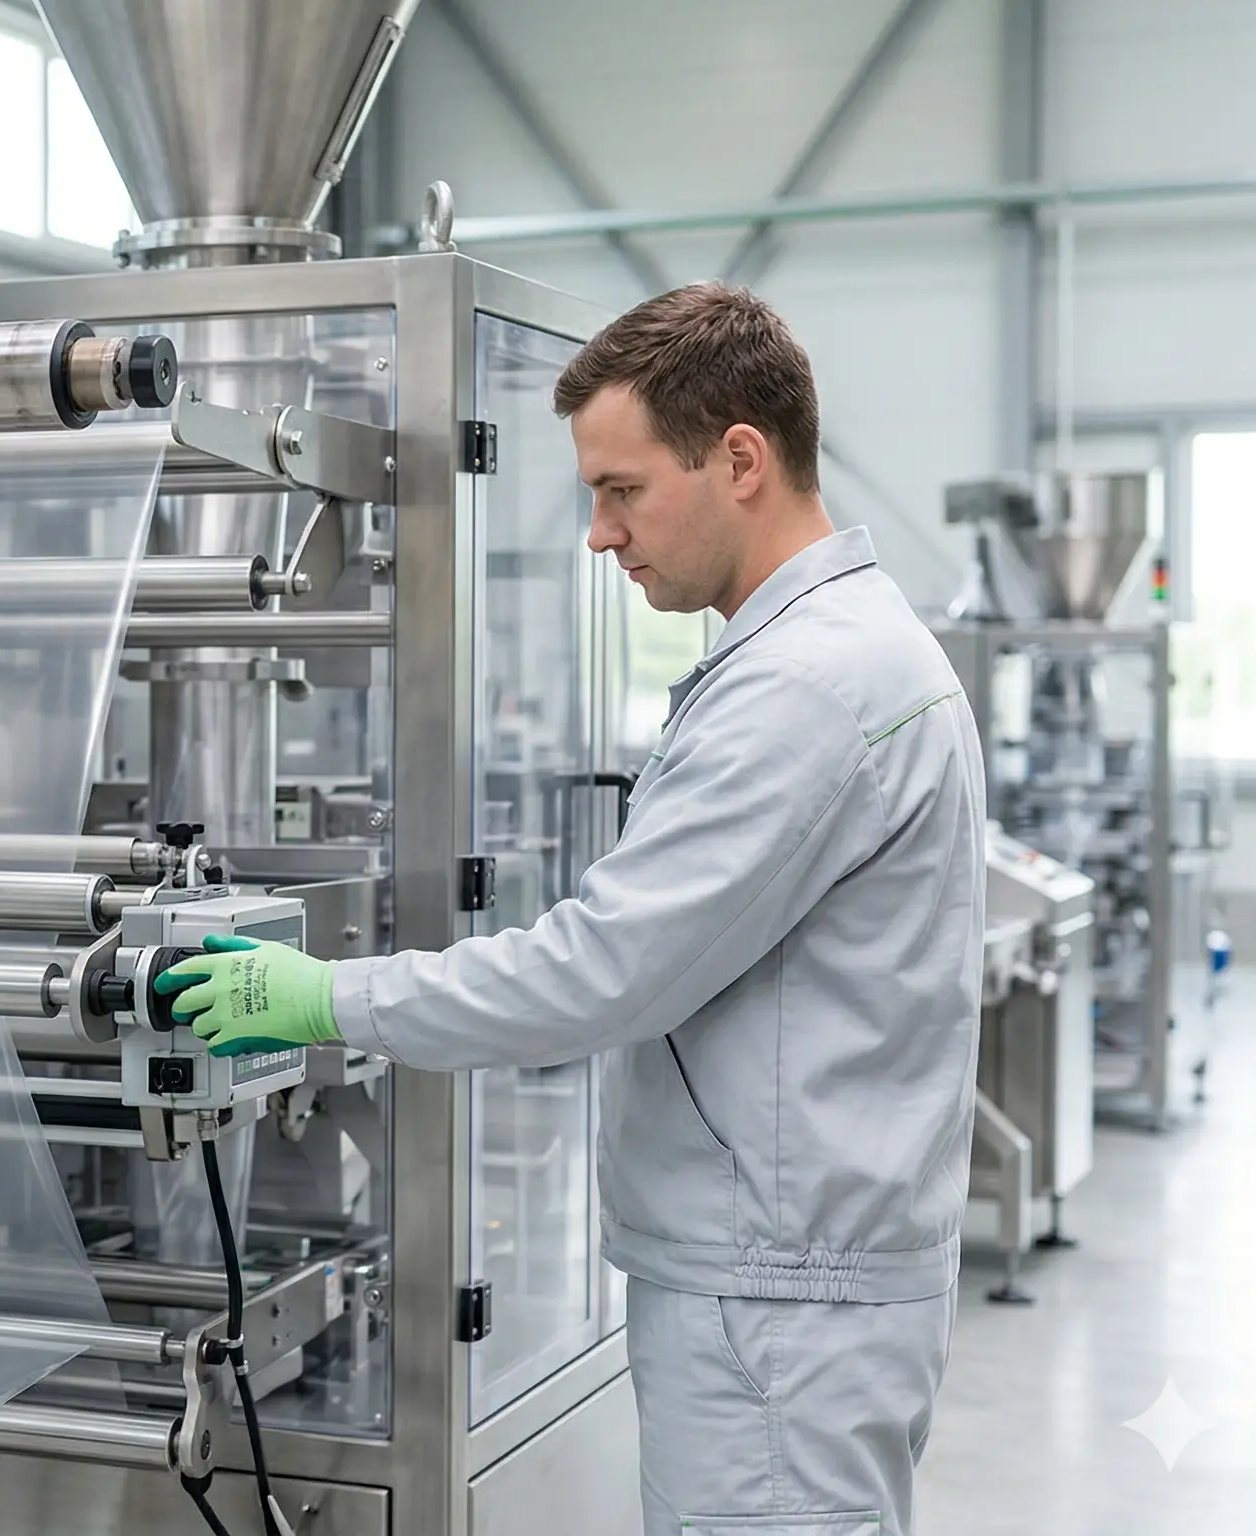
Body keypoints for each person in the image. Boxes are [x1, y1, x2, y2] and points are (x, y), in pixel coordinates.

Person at [159, 283, 985, 1536]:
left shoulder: (810, 687)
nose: (599, 534)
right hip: (787, 1282)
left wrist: (327, 995)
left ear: (741, 461)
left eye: (622, 489)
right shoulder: (829, 653)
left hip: (776, 1307)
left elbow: (597, 972)